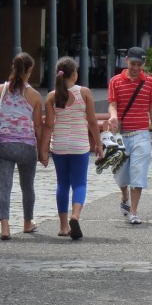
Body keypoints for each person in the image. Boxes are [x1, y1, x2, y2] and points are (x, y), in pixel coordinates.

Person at [40, 57, 102, 240]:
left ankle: (63, 226)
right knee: (79, 183)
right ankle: (75, 215)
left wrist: (43, 149)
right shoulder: (84, 93)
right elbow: (92, 121)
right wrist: (99, 144)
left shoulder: (52, 96)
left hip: (59, 146)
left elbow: (49, 125)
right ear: (74, 74)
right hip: (79, 145)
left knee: (62, 184)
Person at [0, 52, 44, 240]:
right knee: (27, 186)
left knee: (4, 187)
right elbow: (38, 126)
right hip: (26, 146)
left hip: (3, 145)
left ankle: (5, 228)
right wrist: (42, 150)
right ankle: (27, 223)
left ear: (13, 67)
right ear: (30, 70)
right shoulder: (35, 96)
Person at [107, 46, 152, 225]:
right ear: (126, 61)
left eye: (139, 64)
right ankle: (125, 196)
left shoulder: (150, 82)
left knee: (139, 172)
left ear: (144, 63)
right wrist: (113, 116)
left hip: (141, 134)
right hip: (120, 135)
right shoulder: (115, 81)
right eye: (133, 63)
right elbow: (112, 104)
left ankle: (134, 212)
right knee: (121, 175)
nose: (136, 67)